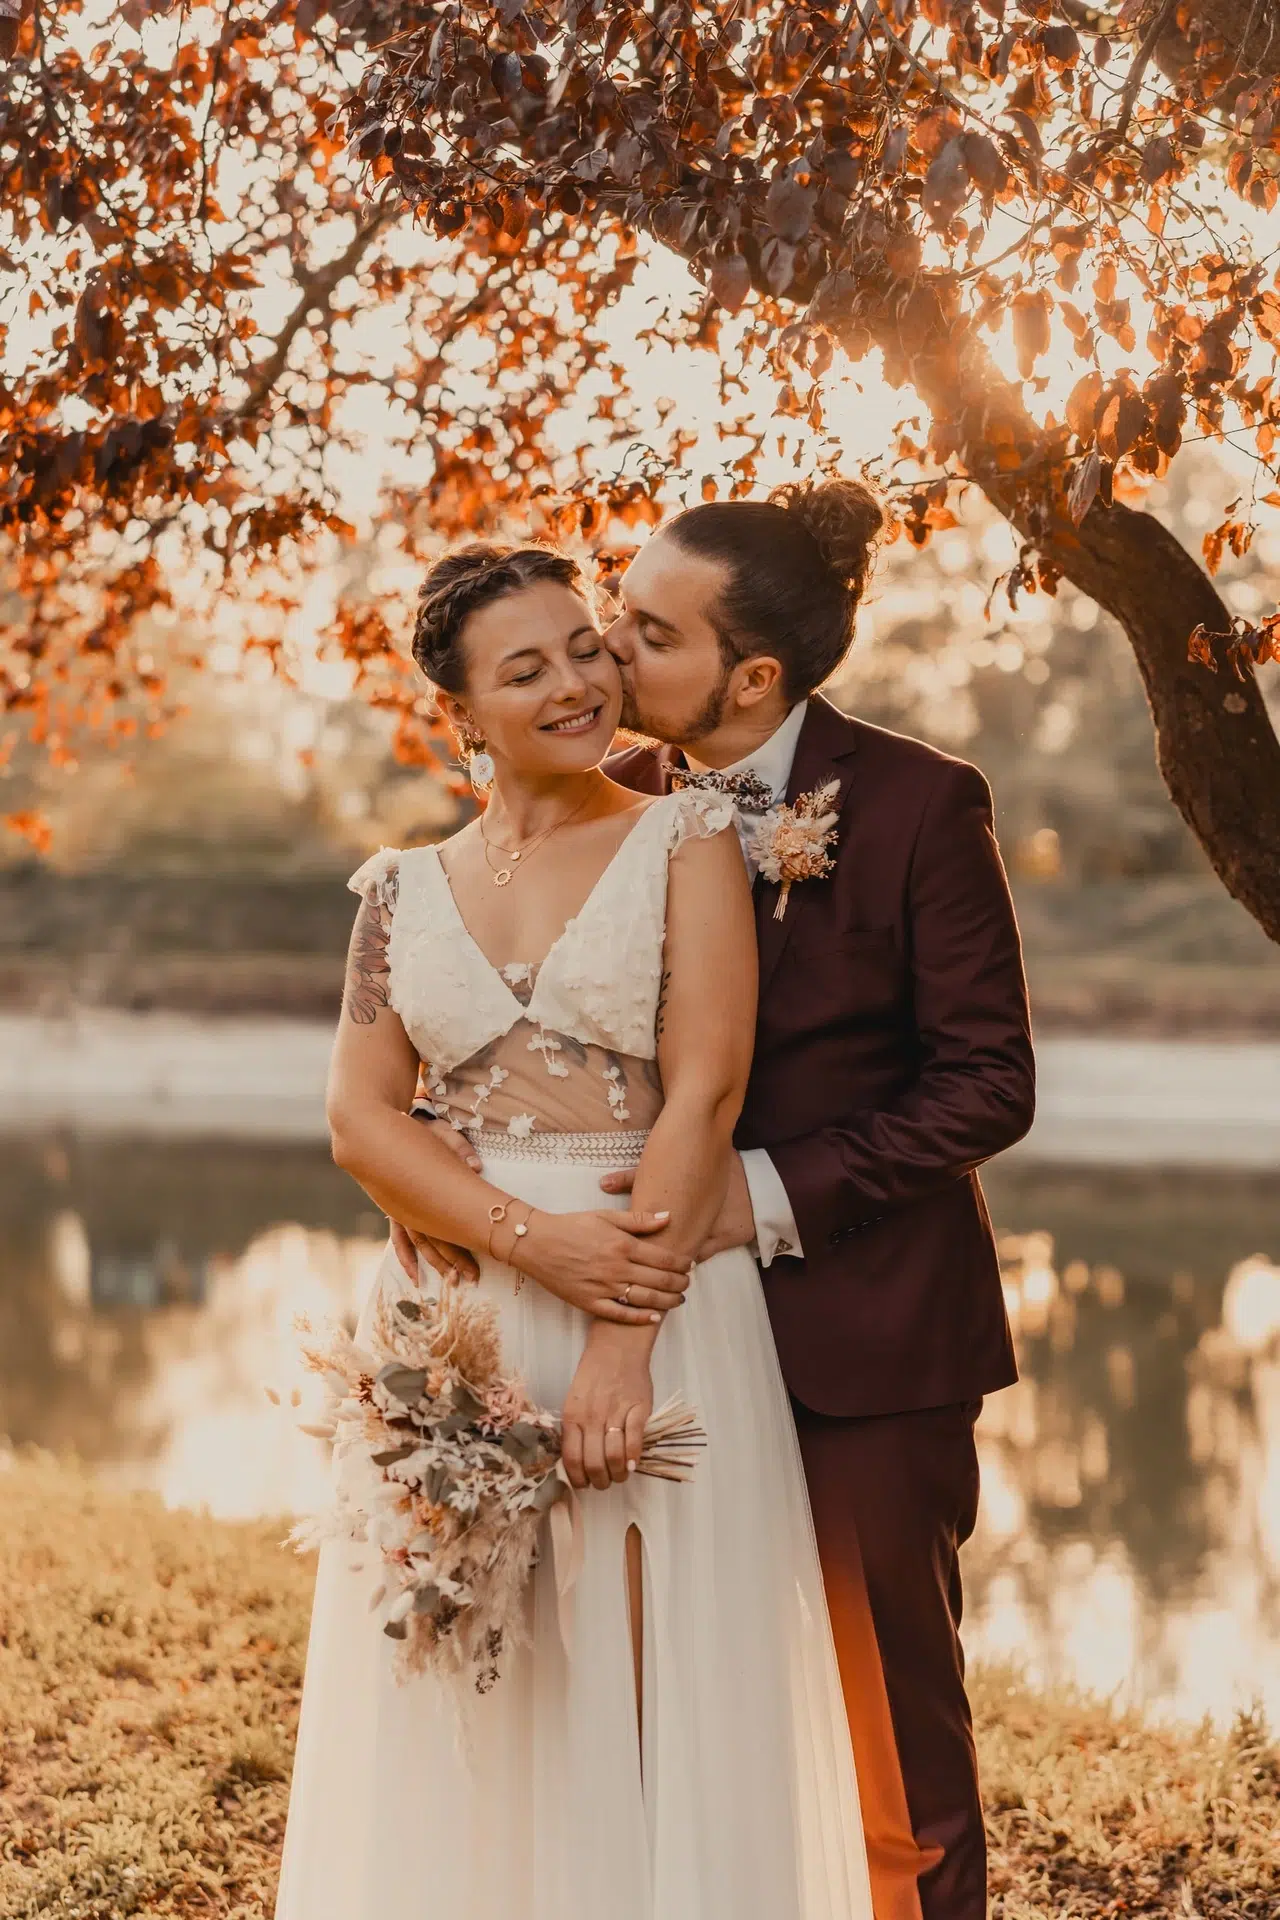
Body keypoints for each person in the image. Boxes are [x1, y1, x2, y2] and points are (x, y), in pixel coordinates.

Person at [397, 476, 1036, 1920]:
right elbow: (517, 1018)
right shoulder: (603, 802)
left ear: (748, 676)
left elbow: (989, 1084)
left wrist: (755, 1196)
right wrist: (453, 1175)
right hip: (651, 1335)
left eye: (640, 631)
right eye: (608, 616)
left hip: (862, 1340)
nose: (602, 656)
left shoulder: (923, 802)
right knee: (649, 1696)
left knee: (888, 1720)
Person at [276, 540, 873, 1920]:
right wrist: (521, 1244)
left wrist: (621, 1347)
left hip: (650, 1297)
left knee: (644, 1665)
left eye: (585, 649)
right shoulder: (395, 896)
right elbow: (363, 1123)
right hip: (462, 1322)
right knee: (475, 1670)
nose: (574, 684)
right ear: (461, 710)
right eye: (525, 668)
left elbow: (705, 1087)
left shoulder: (687, 837)